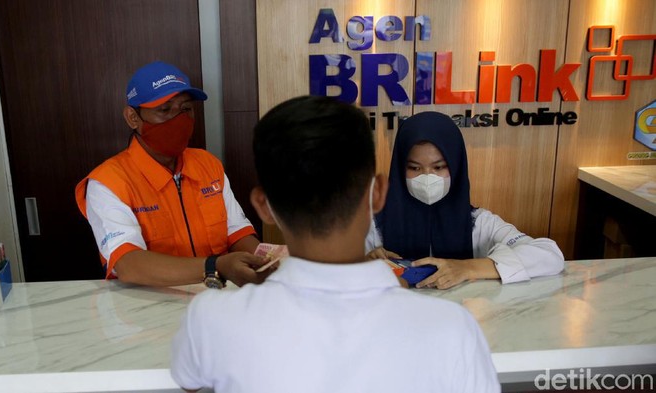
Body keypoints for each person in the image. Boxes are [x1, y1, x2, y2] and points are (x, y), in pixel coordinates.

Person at [171, 96, 500, 393]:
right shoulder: (451, 329)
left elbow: (189, 382)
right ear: (379, 193)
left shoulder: (210, 319)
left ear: (263, 206)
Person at [75, 61, 270, 287]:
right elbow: (129, 265)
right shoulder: (108, 182)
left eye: (185, 109)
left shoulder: (208, 164)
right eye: (164, 109)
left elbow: (237, 232)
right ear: (133, 117)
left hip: (216, 301)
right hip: (148, 308)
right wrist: (214, 266)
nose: (178, 119)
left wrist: (267, 263)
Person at [366, 111, 565, 290]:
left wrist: (467, 268)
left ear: (456, 168)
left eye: (439, 167)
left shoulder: (478, 222)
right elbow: (336, 270)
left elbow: (549, 255)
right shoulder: (375, 225)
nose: (427, 177)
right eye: (415, 168)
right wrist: (362, 264)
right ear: (400, 170)